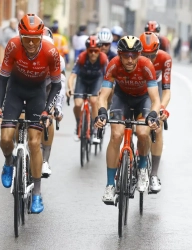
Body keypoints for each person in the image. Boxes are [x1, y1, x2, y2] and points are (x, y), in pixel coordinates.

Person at [0, 27, 66, 178]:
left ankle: (45, 159)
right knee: (15, 122)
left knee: (49, 118)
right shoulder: (18, 52)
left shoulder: (55, 57)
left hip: (45, 89)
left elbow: (60, 86)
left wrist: (56, 108)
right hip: (19, 88)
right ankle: (16, 152)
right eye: (28, 41)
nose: (33, 48)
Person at [0, 14, 61, 214]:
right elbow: (2, 80)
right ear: (20, 36)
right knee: (5, 138)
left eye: (35, 39)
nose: (30, 43)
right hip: (15, 90)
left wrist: (47, 110)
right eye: (26, 39)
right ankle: (8, 162)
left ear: (41, 37)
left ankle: (37, 193)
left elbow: (56, 85)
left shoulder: (51, 52)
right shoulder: (13, 46)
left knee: (33, 143)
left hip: (37, 94)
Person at [94, 36, 160, 204]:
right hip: (121, 98)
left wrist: (153, 114)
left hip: (142, 100)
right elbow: (104, 95)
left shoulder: (147, 65)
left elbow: (155, 98)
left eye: (134, 55)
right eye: (125, 55)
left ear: (139, 54)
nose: (130, 60)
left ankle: (143, 168)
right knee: (116, 135)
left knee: (143, 132)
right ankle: (110, 185)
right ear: (120, 54)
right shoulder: (114, 64)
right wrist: (102, 112)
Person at [139, 32, 172, 193]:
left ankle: (153, 175)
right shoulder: (132, 59)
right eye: (145, 55)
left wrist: (162, 108)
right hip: (138, 89)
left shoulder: (165, 59)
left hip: (156, 89)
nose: (149, 59)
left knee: (156, 127)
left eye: (152, 55)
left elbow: (166, 90)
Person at [66, 36, 108, 143]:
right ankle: (78, 124)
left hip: (96, 80)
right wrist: (70, 88)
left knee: (94, 101)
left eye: (96, 51)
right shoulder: (81, 57)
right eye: (91, 51)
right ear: (87, 50)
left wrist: (102, 90)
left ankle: (94, 130)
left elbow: (107, 77)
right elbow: (72, 76)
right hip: (83, 80)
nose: (93, 53)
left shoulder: (103, 59)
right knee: (77, 104)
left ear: (99, 50)